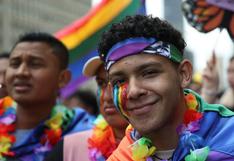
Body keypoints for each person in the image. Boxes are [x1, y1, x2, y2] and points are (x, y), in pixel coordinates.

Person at [97, 15, 234, 160]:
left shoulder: (228, 138)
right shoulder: (120, 157)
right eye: (119, 81)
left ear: (183, 74)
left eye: (149, 73)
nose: (133, 91)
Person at [0, 32, 94, 161]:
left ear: (63, 78)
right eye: (15, 64)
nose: (21, 72)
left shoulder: (84, 132)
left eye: (35, 64)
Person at [44, 56, 129, 161]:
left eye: (119, 82)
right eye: (101, 83)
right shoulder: (68, 149)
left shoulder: (155, 148)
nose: (107, 97)